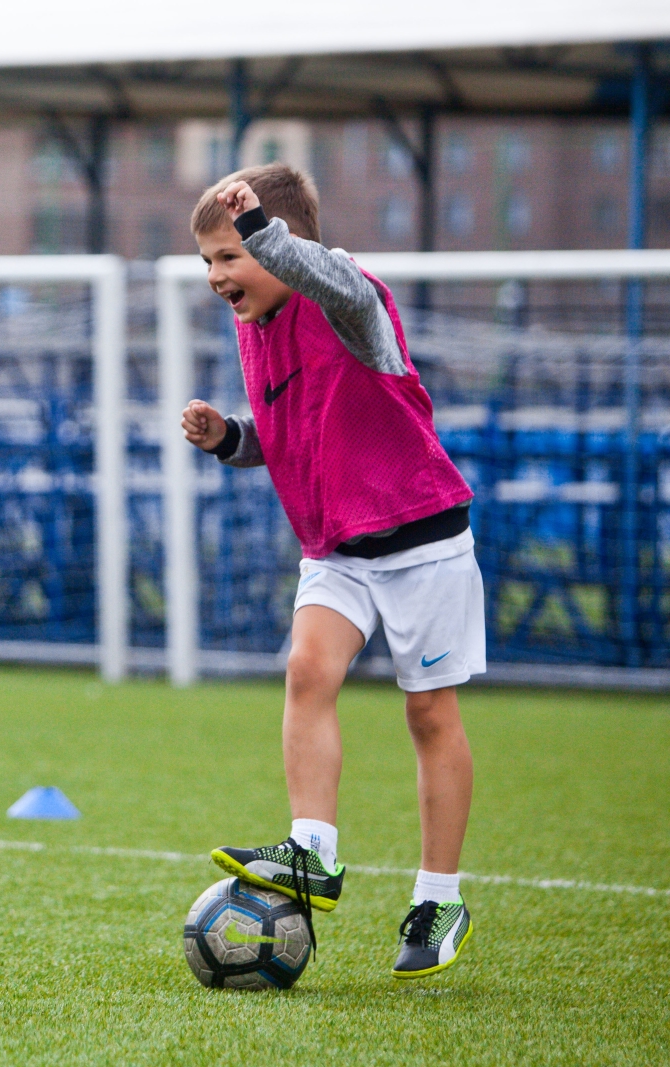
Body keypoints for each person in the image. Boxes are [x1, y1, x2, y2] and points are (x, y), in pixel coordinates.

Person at [181, 163, 480, 979]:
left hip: (422, 536)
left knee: (428, 715)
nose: (216, 277)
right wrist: (230, 438)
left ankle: (440, 893)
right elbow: (292, 431)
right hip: (338, 550)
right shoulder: (255, 325)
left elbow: (326, 276)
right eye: (207, 261)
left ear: (281, 245)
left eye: (227, 257)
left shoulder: (351, 297)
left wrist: (264, 236)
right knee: (307, 669)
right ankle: (314, 852)